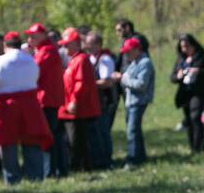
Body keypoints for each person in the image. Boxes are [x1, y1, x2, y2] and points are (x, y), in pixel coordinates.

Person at [0, 31, 52, 184]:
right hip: (30, 105)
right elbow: (36, 77)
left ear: (4, 45)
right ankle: (36, 177)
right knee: (32, 140)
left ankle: (12, 178)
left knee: (7, 142)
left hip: (7, 106)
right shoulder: (30, 59)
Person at [57, 27, 102, 172]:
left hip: (78, 109)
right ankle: (82, 166)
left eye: (67, 44)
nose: (64, 48)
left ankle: (79, 167)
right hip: (73, 108)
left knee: (76, 139)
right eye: (63, 45)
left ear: (76, 44)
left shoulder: (81, 60)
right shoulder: (74, 59)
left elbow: (81, 83)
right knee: (77, 139)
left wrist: (74, 101)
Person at [27, 22, 68, 178]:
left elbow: (34, 72)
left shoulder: (47, 51)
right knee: (54, 136)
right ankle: (58, 170)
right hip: (48, 99)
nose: (30, 39)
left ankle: (51, 171)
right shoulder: (43, 50)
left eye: (33, 36)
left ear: (43, 36)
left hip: (47, 100)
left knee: (48, 136)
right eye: (29, 36)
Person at [110, 36, 153, 170]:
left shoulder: (145, 63)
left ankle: (132, 159)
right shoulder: (134, 62)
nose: (126, 54)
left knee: (132, 131)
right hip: (131, 101)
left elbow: (141, 84)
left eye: (129, 51)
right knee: (135, 130)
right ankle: (140, 157)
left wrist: (122, 78)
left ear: (136, 49)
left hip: (138, 101)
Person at [171, 34, 204, 154]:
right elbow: (172, 77)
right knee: (189, 120)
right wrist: (178, 76)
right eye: (182, 47)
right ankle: (193, 147)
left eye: (187, 46)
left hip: (199, 92)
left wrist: (198, 71)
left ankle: (199, 147)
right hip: (185, 93)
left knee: (195, 117)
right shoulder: (180, 59)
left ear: (193, 44)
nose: (184, 49)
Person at [84, 31, 117, 164]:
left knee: (103, 130)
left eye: (90, 44)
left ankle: (106, 160)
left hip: (104, 101)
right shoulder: (91, 58)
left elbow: (107, 82)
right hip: (95, 101)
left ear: (98, 44)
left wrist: (88, 85)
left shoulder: (105, 60)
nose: (87, 46)